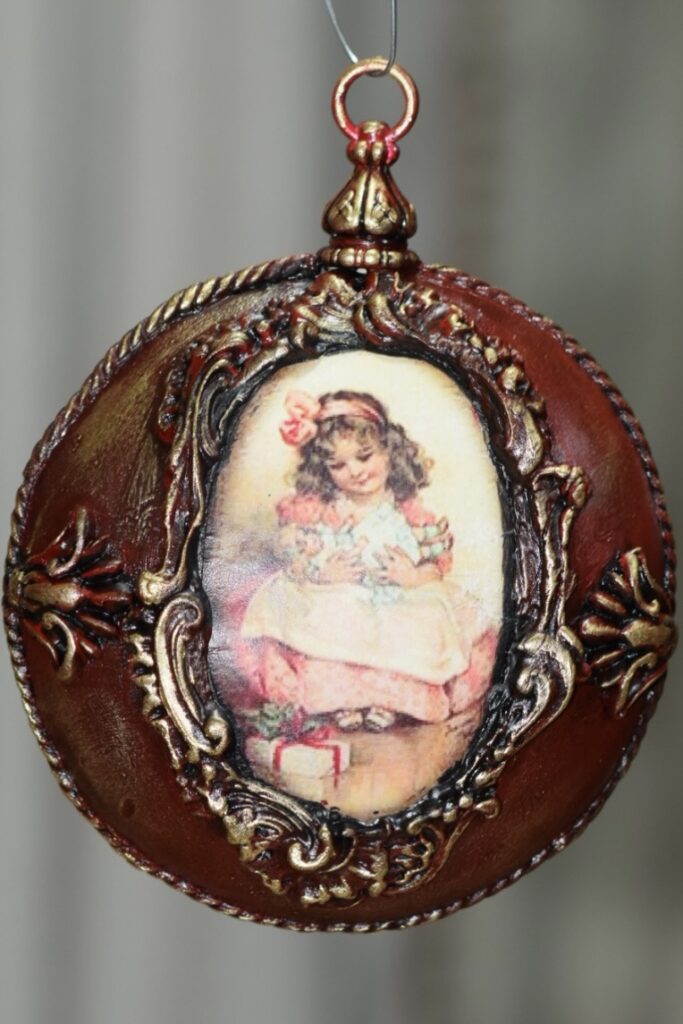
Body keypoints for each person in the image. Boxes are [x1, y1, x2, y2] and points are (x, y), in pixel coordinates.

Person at [236, 388, 496, 733]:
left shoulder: (411, 513)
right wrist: (323, 573)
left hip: (396, 595)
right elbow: (295, 560)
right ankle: (342, 700)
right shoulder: (320, 511)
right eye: (338, 465)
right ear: (323, 470)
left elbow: (436, 567)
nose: (355, 471)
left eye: (364, 456)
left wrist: (412, 576)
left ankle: (389, 700)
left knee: (427, 614)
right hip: (341, 592)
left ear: (389, 450)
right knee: (333, 611)